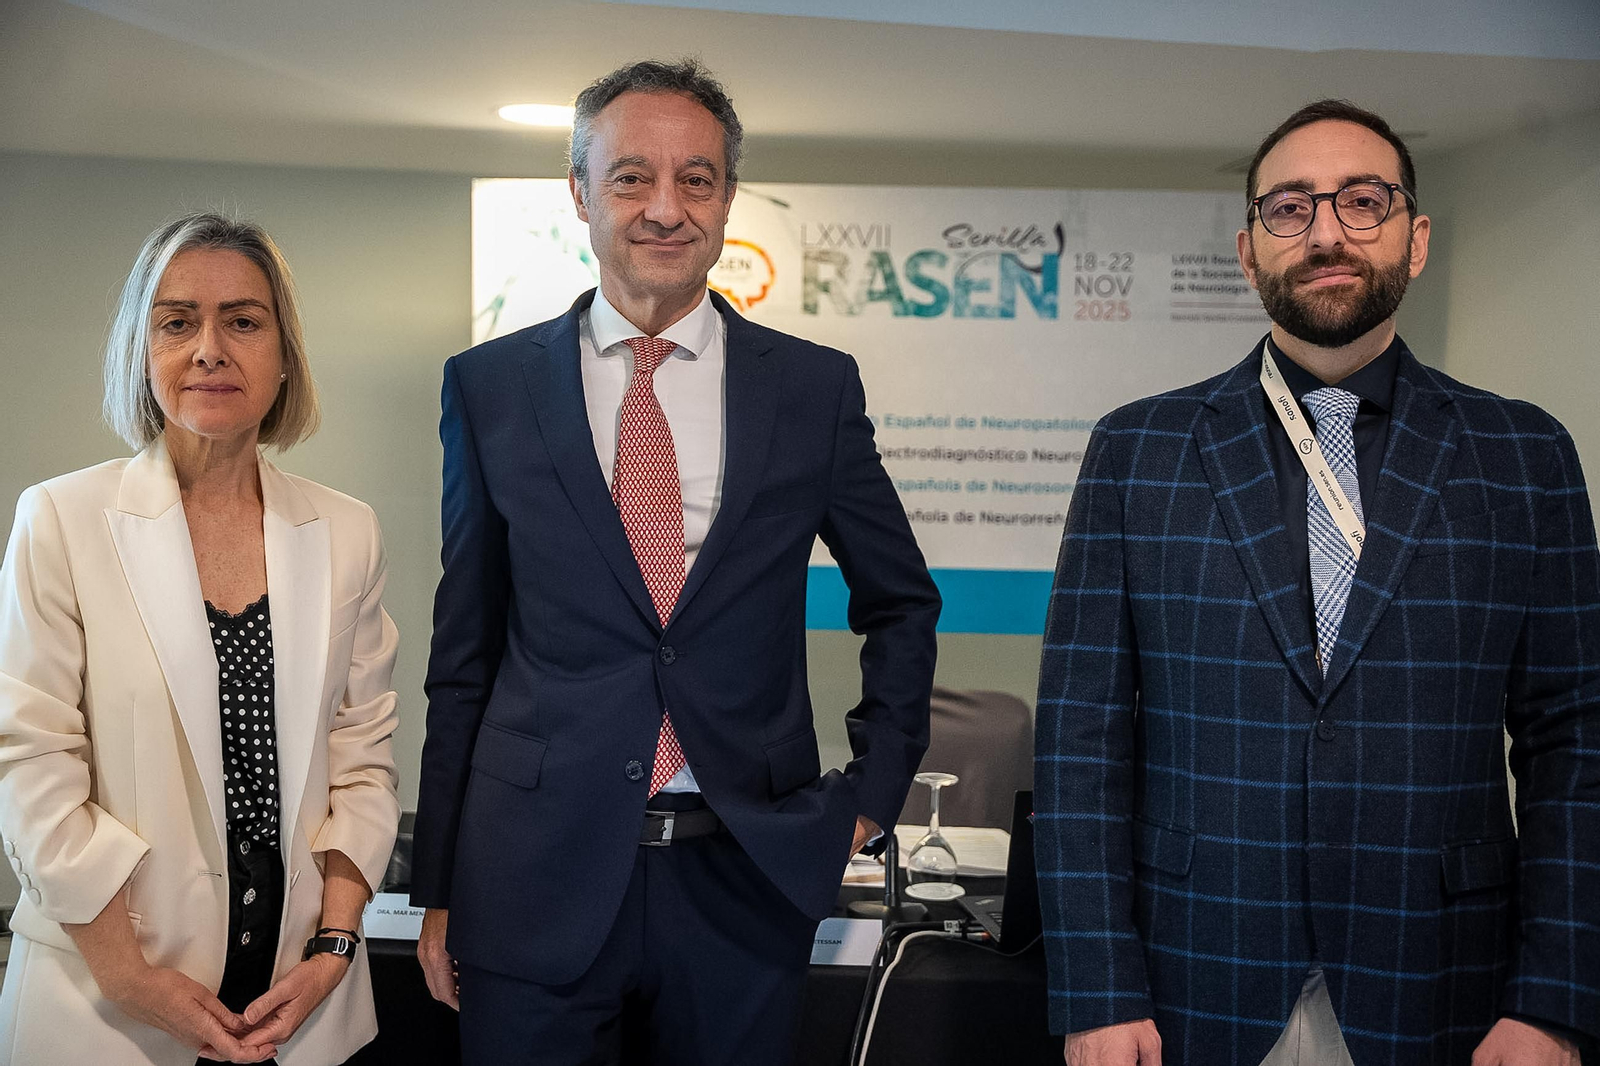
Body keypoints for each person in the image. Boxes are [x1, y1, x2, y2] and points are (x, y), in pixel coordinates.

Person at [1035, 100, 1598, 1065]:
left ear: (1415, 240)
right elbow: (1080, 738)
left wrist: (1556, 999)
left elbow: (1576, 737)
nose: (1328, 231)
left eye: (1362, 201)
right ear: (1250, 251)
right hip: (1186, 977)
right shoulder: (1140, 450)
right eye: (1290, 208)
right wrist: (1095, 989)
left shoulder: (1523, 454)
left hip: (1445, 981)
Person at [410, 58, 940, 1065]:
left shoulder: (812, 391)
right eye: (631, 177)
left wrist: (873, 788)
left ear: (728, 196)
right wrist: (436, 880)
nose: (666, 207)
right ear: (578, 192)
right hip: (532, 879)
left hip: (742, 880)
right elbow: (464, 648)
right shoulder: (488, 387)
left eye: (696, 178)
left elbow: (900, 601)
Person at [0, 213, 402, 1065]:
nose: (211, 348)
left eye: (243, 321)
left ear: (284, 354)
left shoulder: (348, 531)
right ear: (141, 353)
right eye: (177, 322)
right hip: (104, 1002)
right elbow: (30, 759)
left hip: (300, 1002)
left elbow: (363, 757)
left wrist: (334, 948)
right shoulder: (62, 521)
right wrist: (126, 974)